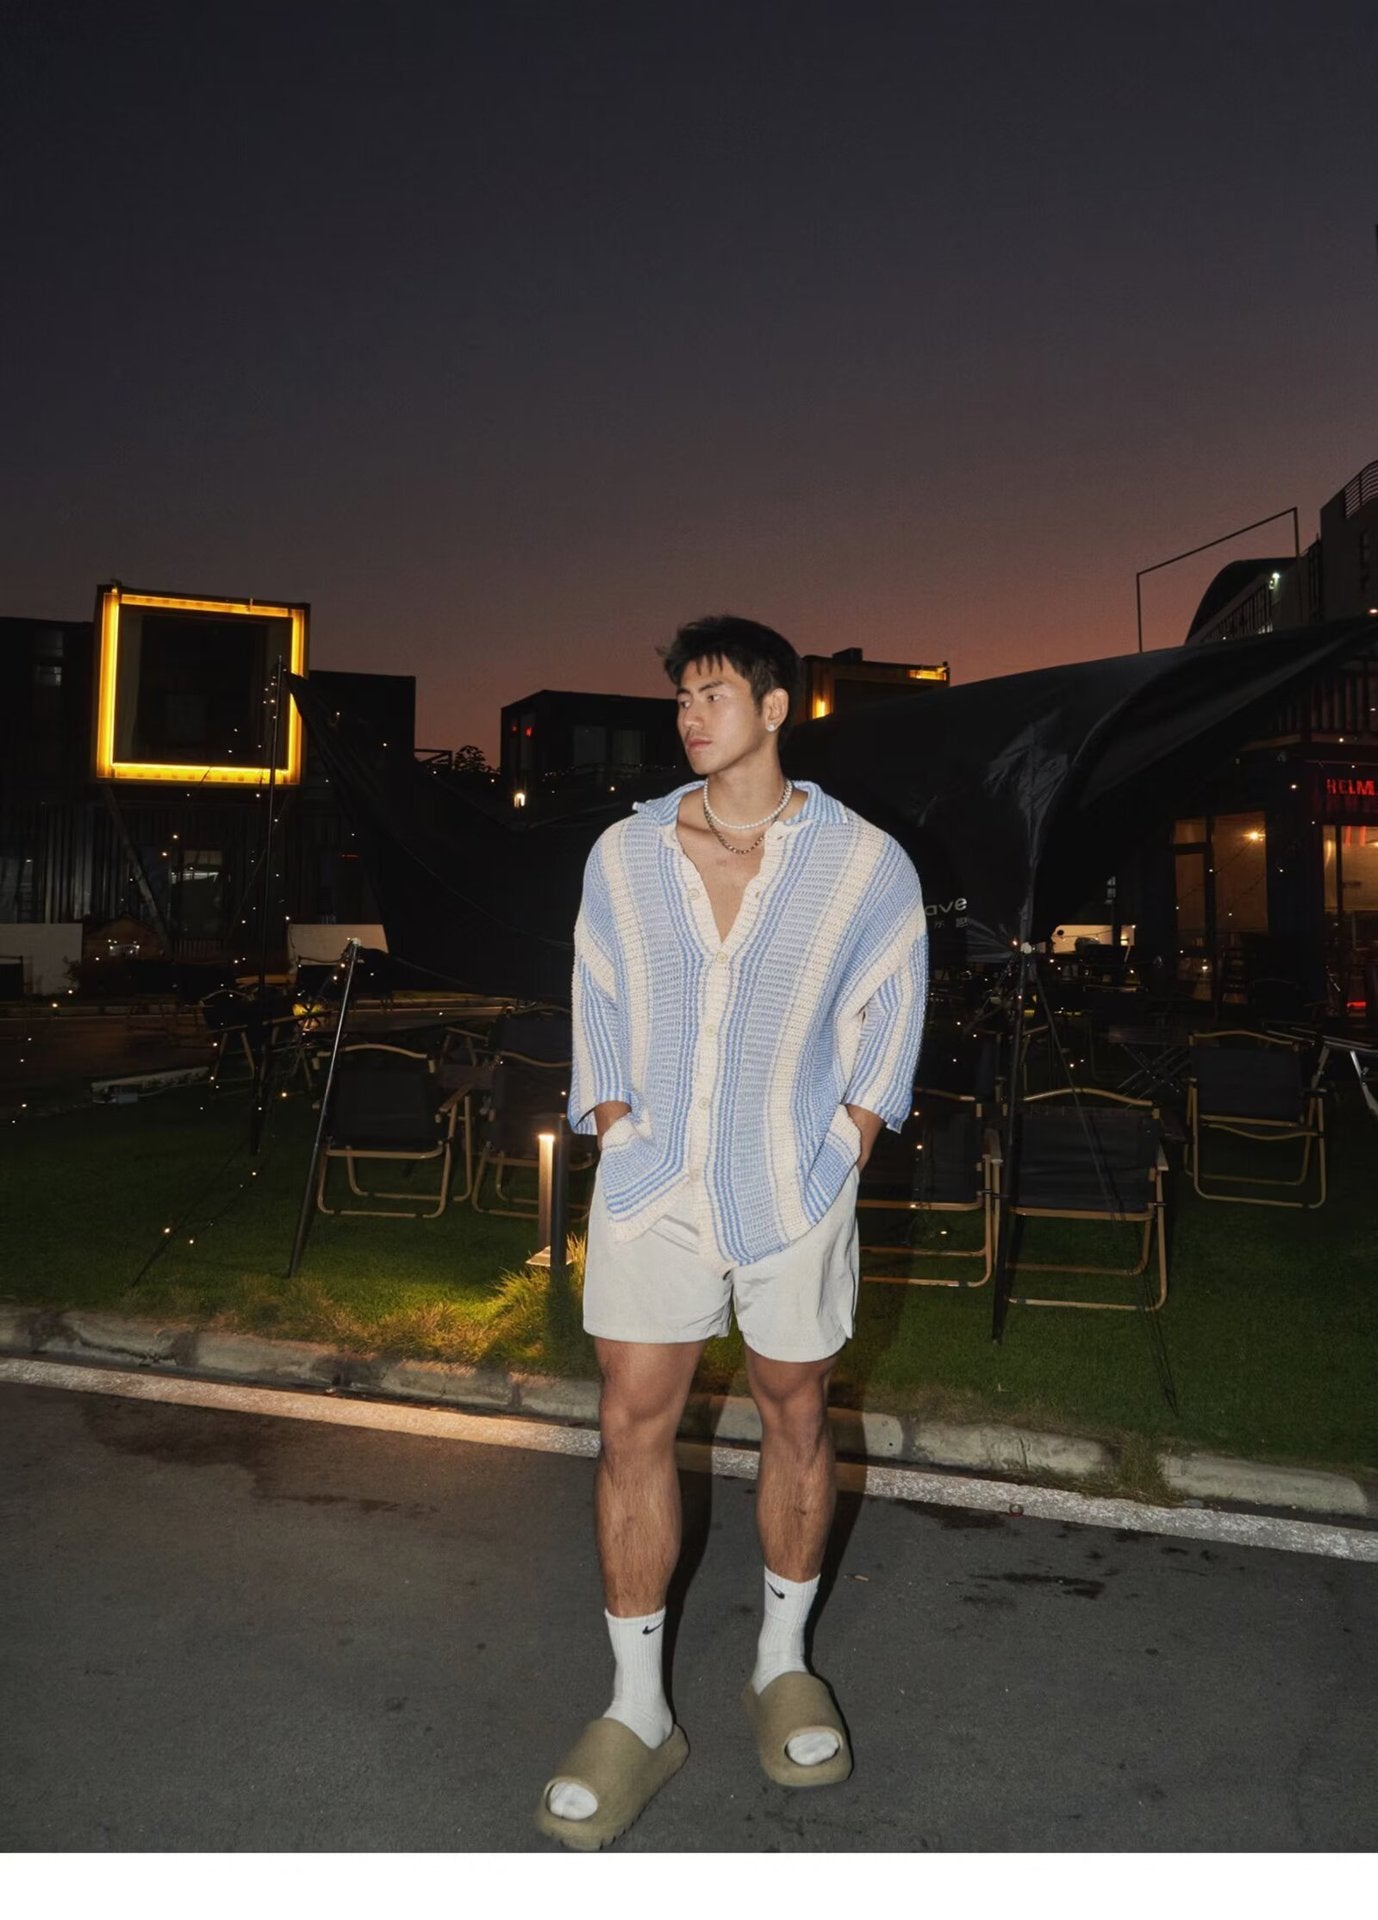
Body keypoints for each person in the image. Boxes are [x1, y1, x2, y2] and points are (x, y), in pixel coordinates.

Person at [536, 615, 927, 1850]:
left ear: (774, 708)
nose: (689, 716)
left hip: (790, 1183)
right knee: (628, 1422)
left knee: (796, 1412)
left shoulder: (865, 863)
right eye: (680, 699)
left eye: (712, 694)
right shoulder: (626, 852)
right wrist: (615, 1125)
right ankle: (636, 1708)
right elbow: (595, 993)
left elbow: (894, 1006)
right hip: (653, 1183)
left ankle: (780, 1663)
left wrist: (845, 1144)